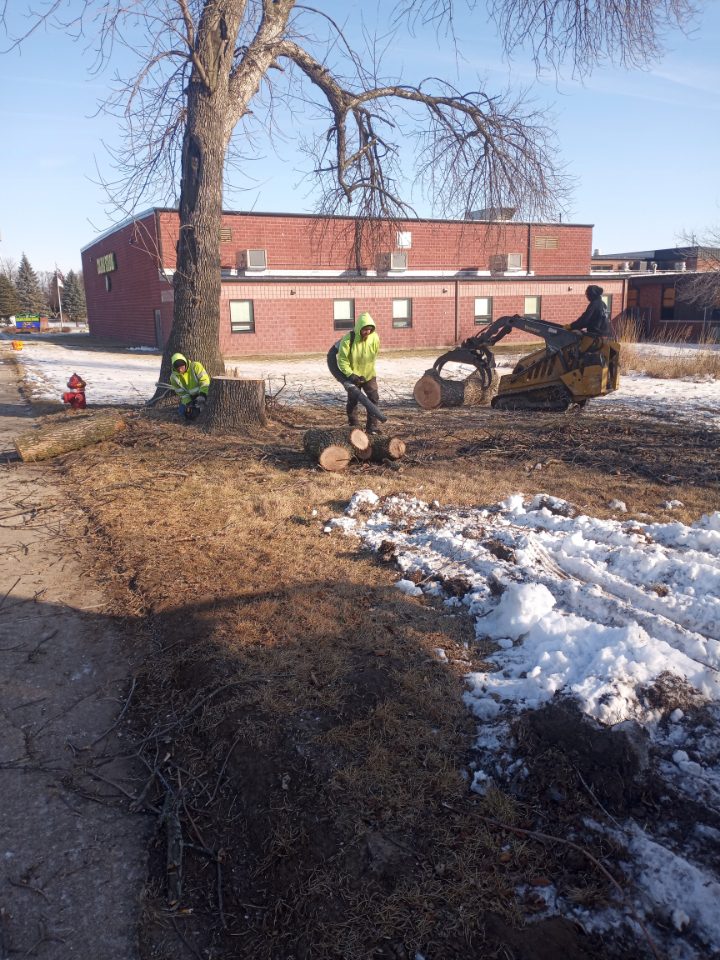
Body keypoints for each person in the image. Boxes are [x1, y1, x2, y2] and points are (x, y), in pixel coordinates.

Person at [327, 312, 381, 433]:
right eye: (365, 329)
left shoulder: (375, 338)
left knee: (373, 399)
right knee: (353, 401)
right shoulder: (348, 339)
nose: (367, 332)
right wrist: (350, 375)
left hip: (369, 375)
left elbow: (374, 355)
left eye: (369, 330)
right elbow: (342, 360)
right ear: (359, 328)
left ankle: (372, 427)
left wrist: (367, 371)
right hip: (352, 376)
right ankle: (354, 426)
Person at [169, 352, 211, 420]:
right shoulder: (173, 377)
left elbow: (205, 381)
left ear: (185, 363)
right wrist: (189, 403)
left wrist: (202, 395)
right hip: (190, 398)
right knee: (182, 412)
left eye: (182, 367)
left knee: (200, 411)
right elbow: (182, 394)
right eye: (178, 368)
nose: (180, 370)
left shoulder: (195, 366)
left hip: (203, 394)